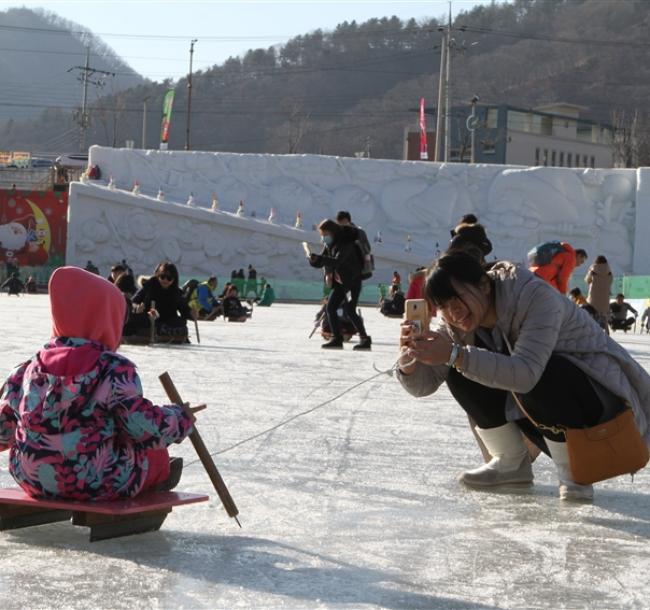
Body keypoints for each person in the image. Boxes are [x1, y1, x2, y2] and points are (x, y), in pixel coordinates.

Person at [397, 251, 650, 501]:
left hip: (604, 412)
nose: (453, 312)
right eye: (442, 306)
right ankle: (510, 463)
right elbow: (424, 386)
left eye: (457, 299)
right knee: (458, 367)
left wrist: (455, 355)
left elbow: (527, 374)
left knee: (538, 370)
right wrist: (409, 361)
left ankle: (574, 474)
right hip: (542, 414)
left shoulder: (534, 297)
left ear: (484, 285)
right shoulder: (455, 324)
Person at [0, 267, 195, 501]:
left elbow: (4, 429)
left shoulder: (27, 369)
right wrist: (180, 418)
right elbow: (140, 426)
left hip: (30, 477)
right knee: (155, 456)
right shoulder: (113, 369)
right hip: (95, 480)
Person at [309, 219, 372, 350]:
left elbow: (337, 261)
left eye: (325, 234)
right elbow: (325, 260)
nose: (324, 238)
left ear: (332, 232)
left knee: (331, 308)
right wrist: (314, 260)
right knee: (350, 310)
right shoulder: (331, 245)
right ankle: (364, 339)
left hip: (350, 281)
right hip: (345, 281)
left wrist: (320, 259)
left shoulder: (345, 243)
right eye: (322, 235)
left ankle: (337, 339)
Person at [124, 261, 194, 341]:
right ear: (158, 275)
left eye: (169, 278)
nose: (165, 280)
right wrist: (137, 308)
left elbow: (185, 309)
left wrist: (192, 314)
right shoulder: (149, 286)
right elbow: (134, 302)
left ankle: (158, 331)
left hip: (167, 322)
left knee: (181, 322)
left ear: (174, 279)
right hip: (149, 319)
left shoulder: (176, 292)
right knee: (138, 320)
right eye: (162, 276)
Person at [336, 210, 374, 280]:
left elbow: (367, 249)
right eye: (339, 223)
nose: (341, 225)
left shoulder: (359, 233)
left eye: (343, 222)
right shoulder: (338, 233)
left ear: (348, 221)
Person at [585, 255, 613, 332]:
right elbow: (610, 282)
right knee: (604, 314)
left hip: (593, 296)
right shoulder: (609, 272)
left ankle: (592, 330)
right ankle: (607, 330)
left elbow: (587, 280)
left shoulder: (592, 270)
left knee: (592, 313)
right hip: (605, 297)